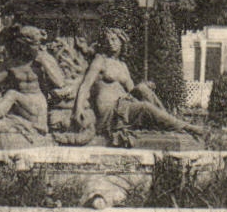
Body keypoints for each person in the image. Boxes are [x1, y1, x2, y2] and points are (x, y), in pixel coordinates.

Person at [72, 28, 204, 140]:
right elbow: (85, 85)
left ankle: (170, 122)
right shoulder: (100, 60)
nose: (111, 43)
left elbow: (133, 91)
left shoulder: (123, 66)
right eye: (108, 40)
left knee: (142, 89)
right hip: (110, 112)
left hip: (124, 106)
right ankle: (185, 127)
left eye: (114, 39)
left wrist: (143, 86)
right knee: (145, 107)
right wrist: (78, 109)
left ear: (121, 42)